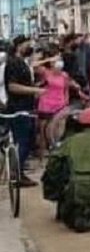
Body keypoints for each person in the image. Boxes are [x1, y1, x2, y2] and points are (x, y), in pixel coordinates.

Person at [4, 36, 42, 185]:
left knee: (29, 140)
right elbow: (12, 86)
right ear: (19, 46)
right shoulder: (13, 63)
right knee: (24, 140)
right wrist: (34, 90)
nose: (30, 47)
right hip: (18, 107)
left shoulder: (22, 63)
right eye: (27, 44)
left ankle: (18, 171)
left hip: (27, 106)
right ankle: (16, 173)